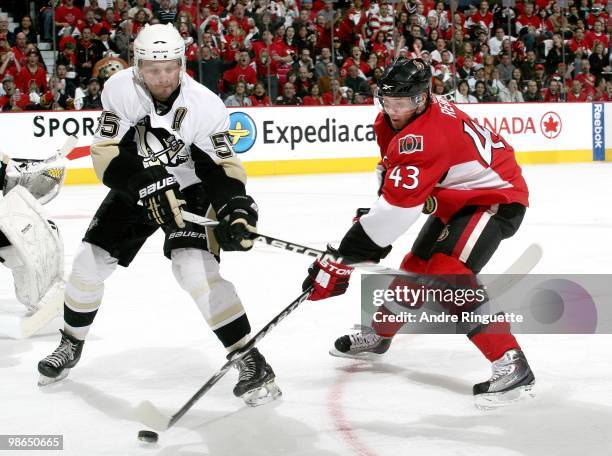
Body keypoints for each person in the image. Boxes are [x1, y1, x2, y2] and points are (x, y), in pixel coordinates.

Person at [37, 24, 281, 407]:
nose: (163, 77)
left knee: (194, 268)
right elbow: (105, 156)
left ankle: (250, 359)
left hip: (189, 190)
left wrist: (235, 206)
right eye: (153, 69)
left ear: (182, 63)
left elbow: (220, 167)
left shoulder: (205, 106)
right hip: (137, 185)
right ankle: (70, 343)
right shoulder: (119, 89)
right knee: (87, 265)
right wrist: (143, 181)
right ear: (137, 66)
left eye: (170, 68)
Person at [302, 58, 535, 407]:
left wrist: (345, 256)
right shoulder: (389, 121)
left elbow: (396, 215)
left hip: (494, 198)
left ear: (423, 98)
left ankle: (510, 361)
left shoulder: (426, 136)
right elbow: (394, 184)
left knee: (446, 272)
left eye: (404, 103)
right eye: (389, 101)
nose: (394, 110)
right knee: (415, 266)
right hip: (455, 197)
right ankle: (379, 336)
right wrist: (373, 224)